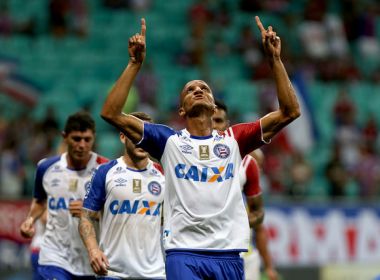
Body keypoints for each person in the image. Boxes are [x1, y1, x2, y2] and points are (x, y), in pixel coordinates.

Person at [100, 17, 300, 280]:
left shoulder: (234, 140)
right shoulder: (168, 141)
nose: (197, 90)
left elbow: (290, 111)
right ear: (181, 108)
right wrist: (134, 64)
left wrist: (275, 60)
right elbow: (111, 113)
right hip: (183, 253)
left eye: (204, 88)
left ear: (214, 106)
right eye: (189, 89)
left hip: (228, 253)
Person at [20, 111, 108, 280]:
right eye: (76, 139)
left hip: (90, 260)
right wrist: (30, 220)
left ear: (94, 138)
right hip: (54, 257)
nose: (82, 145)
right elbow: (40, 201)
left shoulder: (106, 169)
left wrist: (91, 212)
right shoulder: (46, 168)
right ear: (65, 137)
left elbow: (114, 212)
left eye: (87, 139)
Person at [79, 112, 166, 279]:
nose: (142, 140)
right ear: (122, 137)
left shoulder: (164, 173)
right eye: (135, 134)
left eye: (146, 135)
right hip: (112, 272)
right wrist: (93, 250)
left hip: (155, 274)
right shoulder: (105, 171)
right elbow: (86, 217)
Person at [212, 99, 278, 280]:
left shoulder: (247, 164)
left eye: (218, 121)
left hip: (240, 255)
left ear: (228, 125)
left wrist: (269, 266)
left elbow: (259, 222)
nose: (214, 126)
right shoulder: (184, 154)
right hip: (199, 251)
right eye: (210, 120)